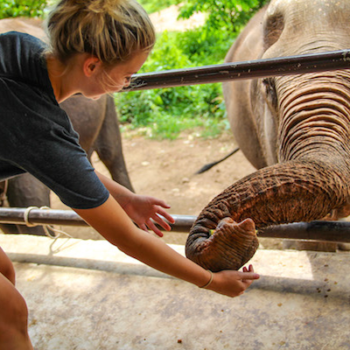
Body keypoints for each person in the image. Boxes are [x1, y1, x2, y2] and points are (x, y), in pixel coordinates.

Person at [0, 0, 260, 348]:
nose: (128, 82)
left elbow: (60, 161)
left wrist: (125, 198)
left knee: (4, 273)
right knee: (9, 312)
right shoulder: (40, 127)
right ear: (92, 65)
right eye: (127, 74)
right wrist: (211, 282)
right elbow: (128, 238)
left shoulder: (23, 47)